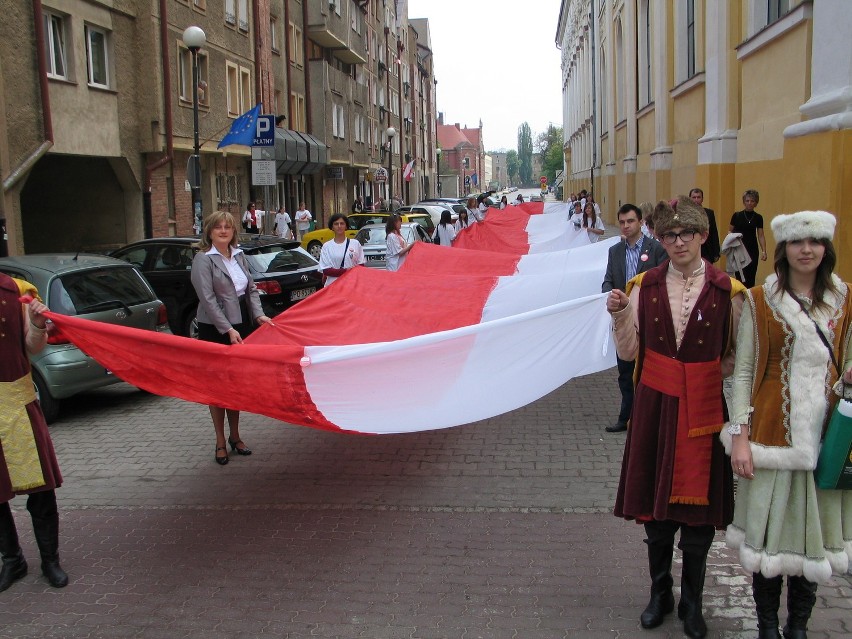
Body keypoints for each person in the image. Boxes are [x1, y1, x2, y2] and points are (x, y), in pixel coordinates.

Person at [606, 195, 745, 639]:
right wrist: (622, 315)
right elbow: (629, 352)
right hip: (655, 405)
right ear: (660, 238)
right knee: (657, 512)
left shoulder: (730, 291)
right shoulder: (642, 286)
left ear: (704, 236)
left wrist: (703, 379)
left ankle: (692, 603)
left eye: (688, 234)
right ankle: (659, 593)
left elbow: (738, 359)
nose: (679, 241)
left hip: (704, 407)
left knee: (699, 511)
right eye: (670, 235)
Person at [723, 210, 852, 639]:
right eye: (798, 242)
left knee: (812, 540)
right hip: (771, 436)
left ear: (826, 248)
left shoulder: (844, 298)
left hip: (826, 437)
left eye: (815, 242)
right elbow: (743, 373)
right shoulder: (760, 300)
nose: (807, 250)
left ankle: (798, 626)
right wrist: (739, 436)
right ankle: (766, 627)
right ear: (783, 250)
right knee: (767, 537)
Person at [0, 274, 69, 593]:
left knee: (41, 491)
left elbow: (33, 346)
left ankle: (50, 560)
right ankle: (12, 561)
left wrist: (38, 324)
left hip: (17, 403)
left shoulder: (16, 290)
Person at [191, 211, 273, 465]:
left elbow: (251, 289)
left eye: (227, 227)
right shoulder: (203, 259)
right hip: (215, 329)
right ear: (210, 232)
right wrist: (226, 329)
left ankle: (235, 436)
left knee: (234, 385)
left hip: (241, 324)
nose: (223, 231)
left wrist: (258, 315)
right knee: (216, 387)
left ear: (234, 231)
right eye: (218, 227)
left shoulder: (239, 256)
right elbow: (208, 299)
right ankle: (219, 441)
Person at [601, 203, 668, 434]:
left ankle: (650, 419)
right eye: (622, 222)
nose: (626, 226)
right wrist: (610, 294)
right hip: (624, 320)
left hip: (649, 317)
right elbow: (608, 280)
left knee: (650, 369)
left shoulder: (656, 249)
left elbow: (664, 282)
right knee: (625, 371)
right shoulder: (615, 252)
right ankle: (626, 416)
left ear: (640, 222)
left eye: (630, 221)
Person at [729, 189, 767, 288]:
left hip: (752, 250)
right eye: (747, 201)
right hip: (739, 249)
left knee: (751, 276)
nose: (749, 203)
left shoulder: (758, 217)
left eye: (752, 201)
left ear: (756, 203)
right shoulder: (737, 216)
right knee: (740, 276)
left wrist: (764, 251)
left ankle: (749, 299)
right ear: (744, 202)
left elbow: (761, 235)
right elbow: (730, 232)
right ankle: (740, 298)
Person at [318, 213, 364, 286]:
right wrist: (346, 271)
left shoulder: (355, 244)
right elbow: (326, 270)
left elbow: (361, 265)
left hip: (351, 285)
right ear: (332, 227)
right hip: (333, 286)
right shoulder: (326, 246)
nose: (339, 226)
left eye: (342, 223)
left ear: (346, 226)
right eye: (336, 224)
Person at [689, 188, 720, 263]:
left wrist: (716, 252)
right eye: (694, 197)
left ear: (702, 199)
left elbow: (714, 232)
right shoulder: (685, 214)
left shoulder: (709, 213)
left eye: (698, 197)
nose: (696, 199)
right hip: (691, 248)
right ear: (689, 199)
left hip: (707, 249)